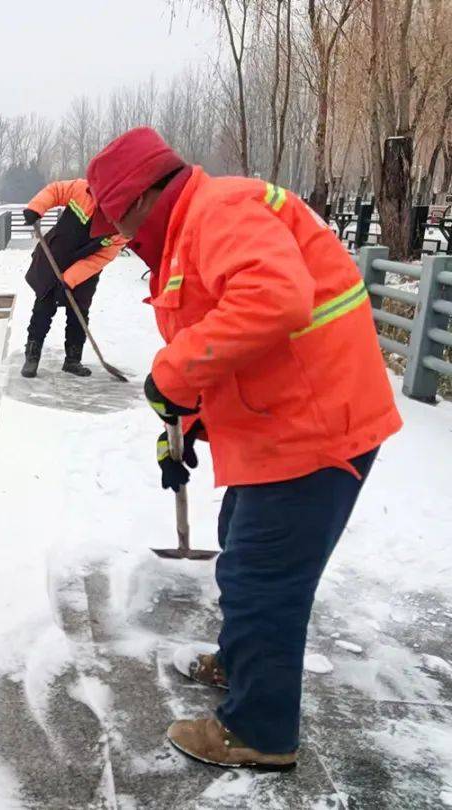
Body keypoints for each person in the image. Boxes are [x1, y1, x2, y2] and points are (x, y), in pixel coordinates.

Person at [84, 128, 402, 769]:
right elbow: (228, 338)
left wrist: (169, 376)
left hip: (312, 432)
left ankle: (258, 733)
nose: (118, 236)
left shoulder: (218, 210)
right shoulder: (193, 230)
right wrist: (186, 424)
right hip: (280, 424)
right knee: (243, 545)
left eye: (118, 219)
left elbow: (273, 300)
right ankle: (240, 662)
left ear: (146, 197)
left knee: (263, 579)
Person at [20, 178, 127, 378]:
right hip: (55, 257)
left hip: (86, 269)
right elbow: (56, 190)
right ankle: (32, 356)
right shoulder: (84, 190)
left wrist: (70, 279)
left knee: (79, 313)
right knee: (43, 307)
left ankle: (73, 360)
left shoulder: (123, 226)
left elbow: (101, 257)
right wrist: (36, 208)